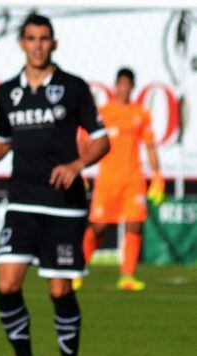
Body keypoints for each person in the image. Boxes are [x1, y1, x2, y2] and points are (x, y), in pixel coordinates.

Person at [0, 13, 109, 356]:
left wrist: (77, 165)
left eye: (44, 38)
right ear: (22, 43)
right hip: (22, 202)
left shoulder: (73, 88)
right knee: (7, 285)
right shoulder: (8, 92)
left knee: (60, 289)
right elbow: (2, 141)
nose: (38, 45)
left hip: (64, 207)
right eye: (31, 38)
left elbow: (101, 140)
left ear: (54, 43)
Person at [78, 67, 164, 292]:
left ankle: (127, 275)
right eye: (121, 84)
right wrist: (79, 168)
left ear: (132, 87)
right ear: (115, 85)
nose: (124, 88)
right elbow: (85, 141)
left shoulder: (140, 114)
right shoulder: (103, 112)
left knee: (135, 224)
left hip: (133, 178)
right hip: (108, 179)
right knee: (99, 228)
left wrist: (157, 175)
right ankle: (78, 268)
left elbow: (150, 145)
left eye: (128, 85)